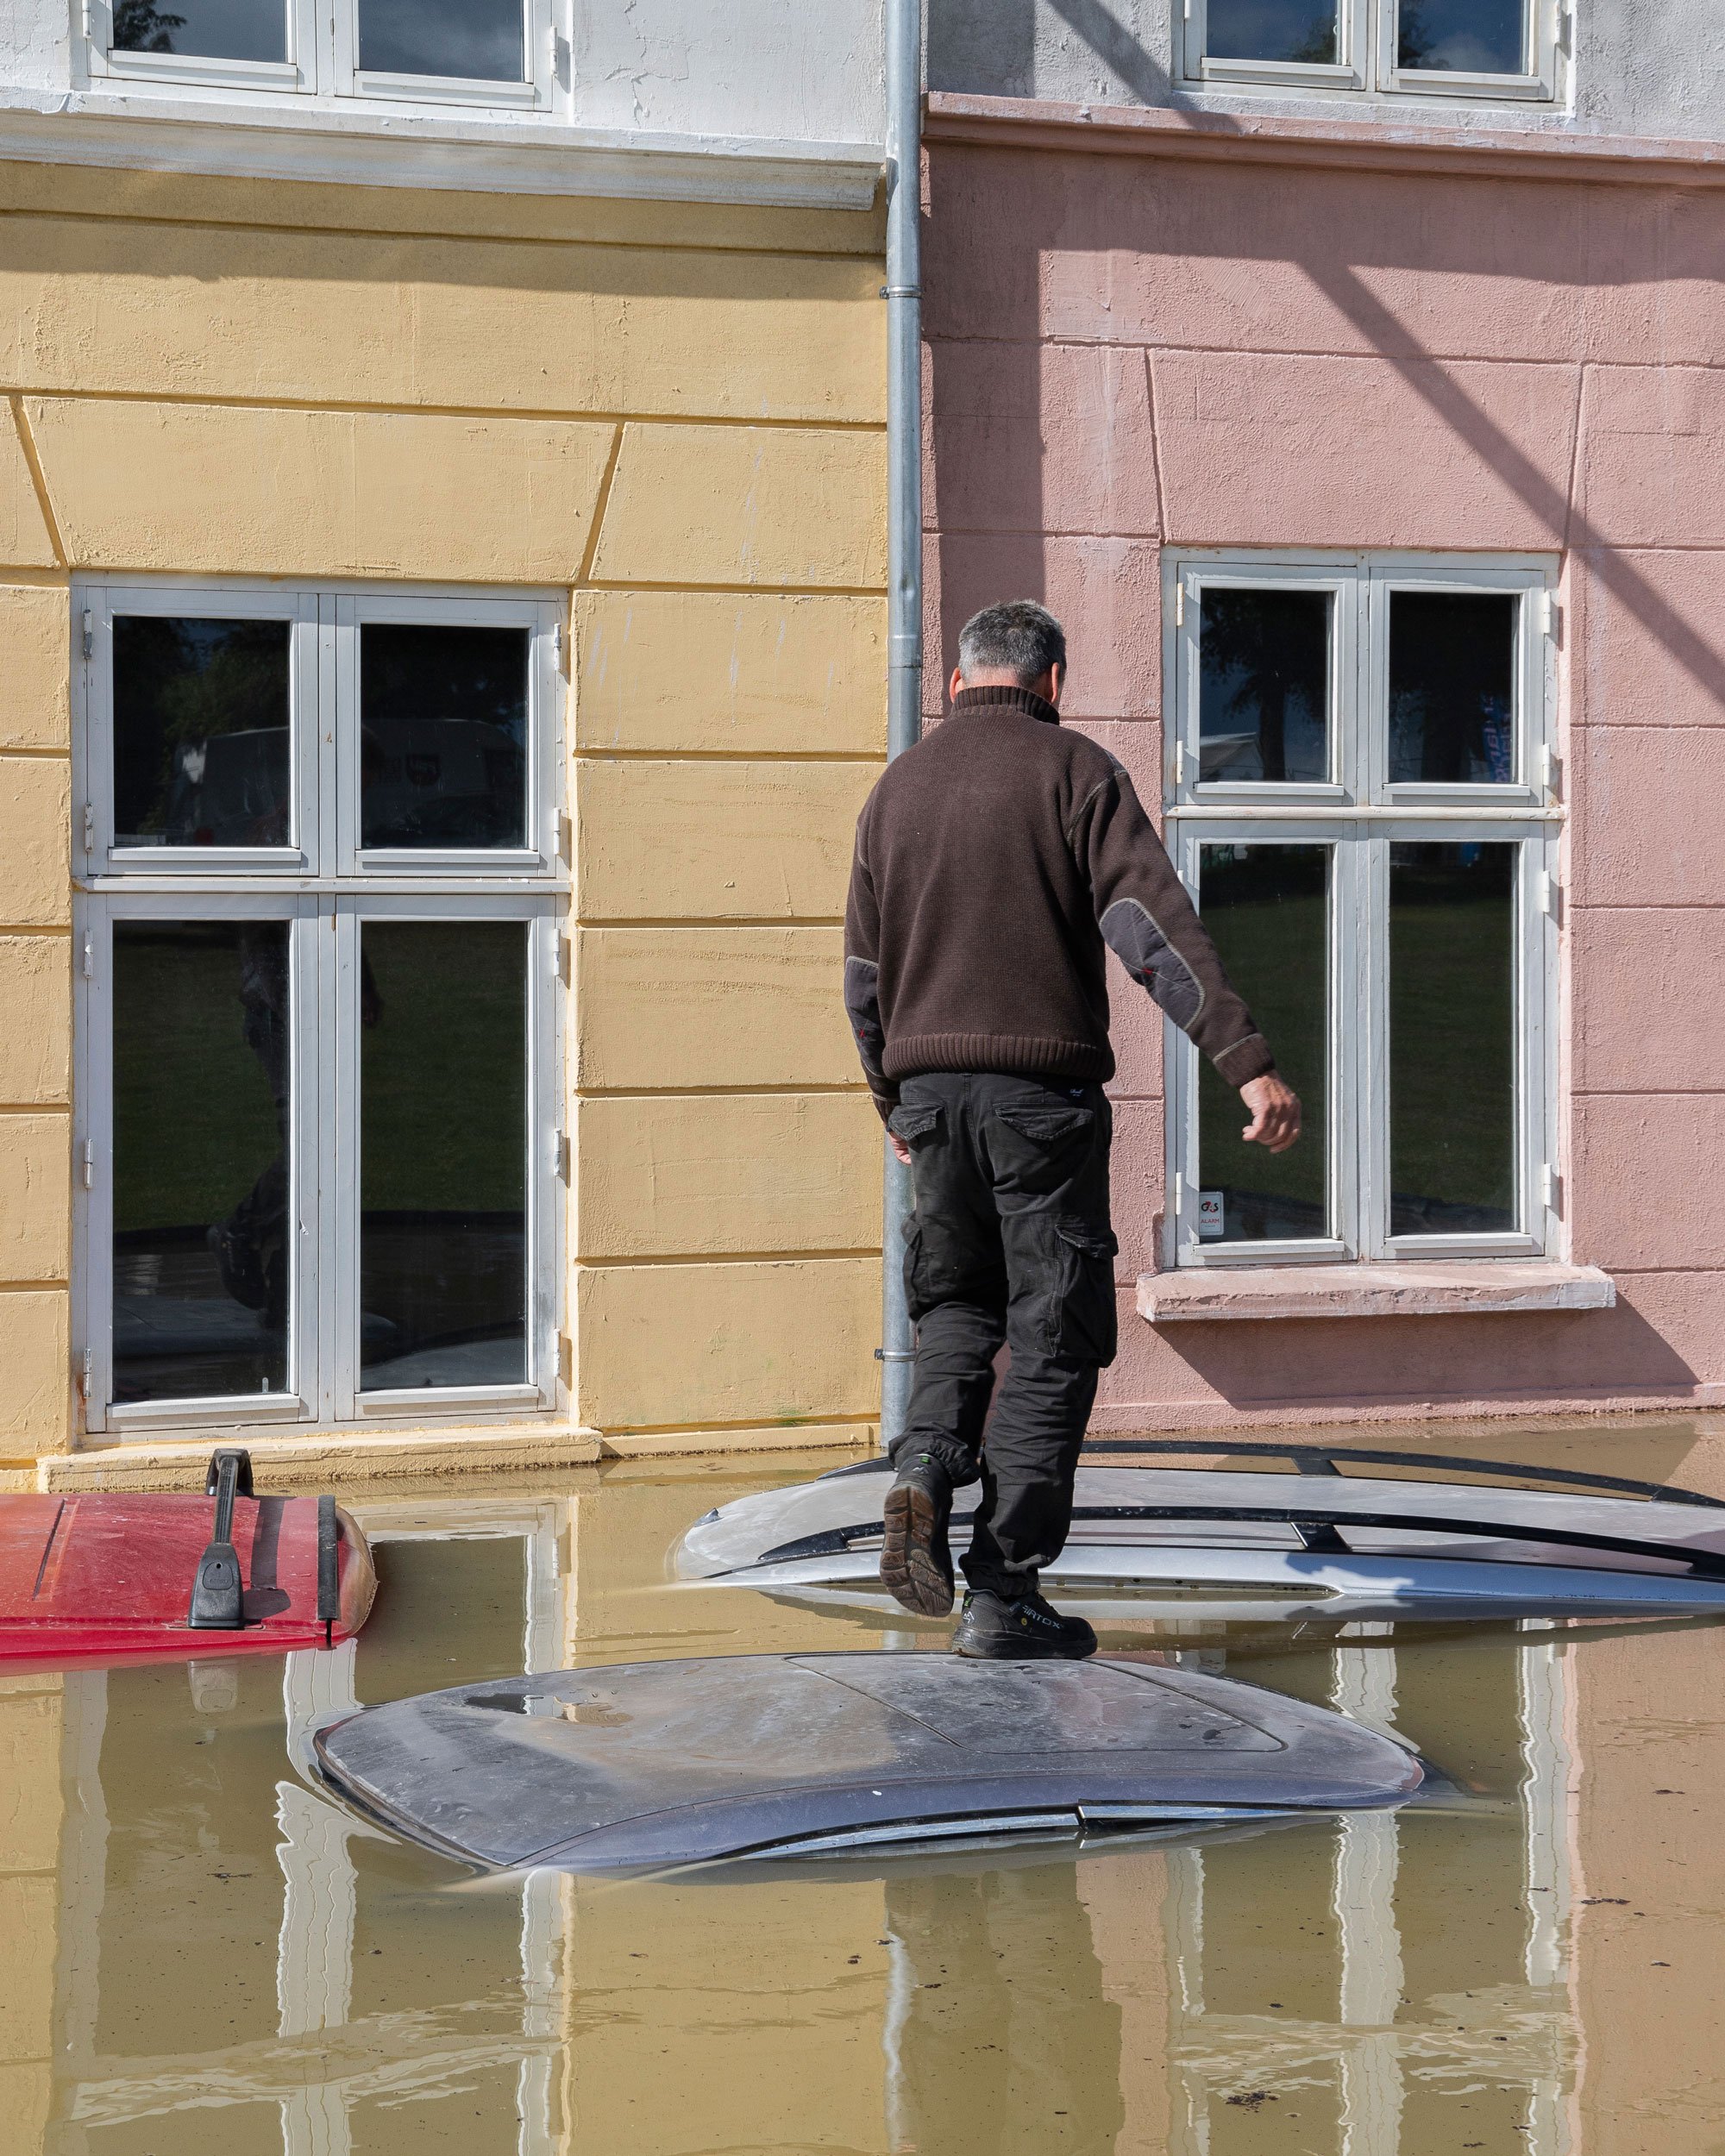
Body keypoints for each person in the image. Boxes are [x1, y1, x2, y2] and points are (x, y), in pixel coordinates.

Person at [844, 600, 1302, 1660]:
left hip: (928, 1098)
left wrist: (889, 1099)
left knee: (955, 1306)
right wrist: (1245, 1060)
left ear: (955, 682)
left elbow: (863, 977)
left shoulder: (894, 791)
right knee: (1054, 1335)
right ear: (1052, 681)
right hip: (1037, 1104)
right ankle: (1002, 1592)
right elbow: (1149, 932)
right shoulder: (1075, 773)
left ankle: (923, 1468)